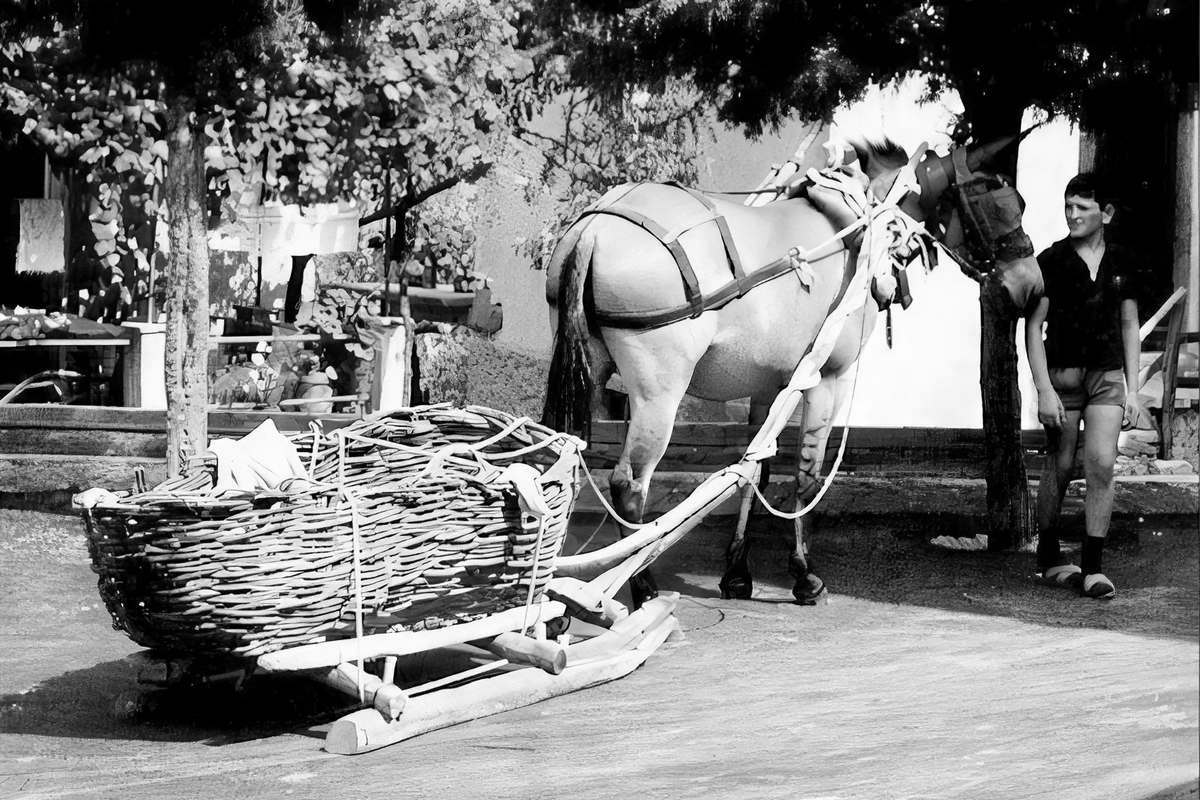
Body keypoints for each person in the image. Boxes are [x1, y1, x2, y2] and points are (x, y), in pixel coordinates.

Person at [1024, 172, 1145, 600]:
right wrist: (1043, 389)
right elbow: (1033, 328)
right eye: (1068, 206)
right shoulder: (1051, 261)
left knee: (1101, 464)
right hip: (1063, 379)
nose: (1072, 215)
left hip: (1108, 377)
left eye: (1083, 208)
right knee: (1059, 464)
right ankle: (1050, 558)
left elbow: (1129, 325)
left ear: (1106, 214)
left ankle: (1093, 567)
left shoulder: (1122, 260)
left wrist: (1134, 388)